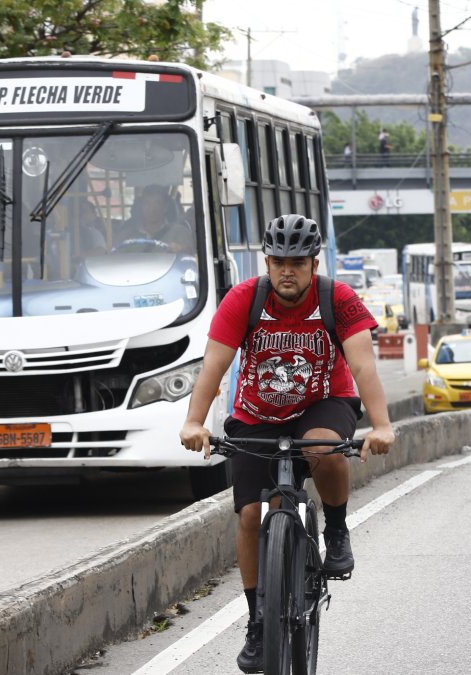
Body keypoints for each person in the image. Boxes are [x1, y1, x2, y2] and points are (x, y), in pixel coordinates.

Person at [179, 214, 395, 673]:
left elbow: (363, 367)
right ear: (267, 261)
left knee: (322, 448)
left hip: (323, 401)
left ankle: (335, 530)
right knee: (249, 515)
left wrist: (381, 425)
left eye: (297, 262)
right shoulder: (245, 299)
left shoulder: (338, 299)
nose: (287, 271)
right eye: (279, 261)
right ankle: (259, 619)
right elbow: (213, 367)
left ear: (314, 263)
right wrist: (194, 422)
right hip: (256, 414)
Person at [116, 184, 192, 253]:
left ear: (165, 207)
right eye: (147, 203)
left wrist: (182, 249)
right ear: (141, 207)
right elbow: (115, 262)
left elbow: (190, 261)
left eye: (157, 203)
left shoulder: (180, 234)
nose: (152, 209)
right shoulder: (125, 236)